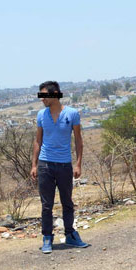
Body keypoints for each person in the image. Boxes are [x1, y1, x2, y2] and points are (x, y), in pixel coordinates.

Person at [30, 80, 89, 254]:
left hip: (64, 165)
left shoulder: (72, 114)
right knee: (46, 204)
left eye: (44, 95)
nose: (42, 99)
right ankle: (47, 237)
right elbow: (38, 140)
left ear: (55, 94)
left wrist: (78, 164)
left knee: (67, 202)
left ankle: (70, 234)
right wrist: (34, 165)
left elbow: (78, 139)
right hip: (45, 165)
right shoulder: (41, 115)